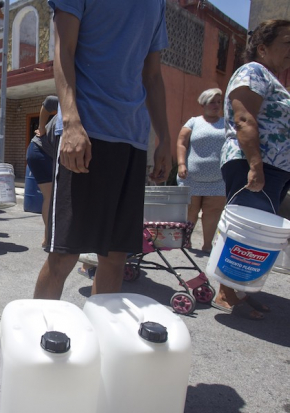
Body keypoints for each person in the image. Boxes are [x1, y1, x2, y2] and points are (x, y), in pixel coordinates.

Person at [33, 0, 172, 299]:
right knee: (64, 255)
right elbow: (63, 50)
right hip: (87, 132)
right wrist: (70, 122)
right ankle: (38, 336)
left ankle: (101, 337)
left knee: (116, 257)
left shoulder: (157, 4)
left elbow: (153, 75)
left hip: (133, 138)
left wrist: (165, 139)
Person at [213, 19, 290, 320]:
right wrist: (255, 164)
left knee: (256, 234)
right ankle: (226, 292)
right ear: (262, 47)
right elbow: (244, 118)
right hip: (254, 162)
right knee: (245, 230)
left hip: (273, 167)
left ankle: (239, 289)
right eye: (287, 42)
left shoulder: (272, 79)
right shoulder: (253, 72)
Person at [176, 88, 226, 252]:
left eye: (219, 102)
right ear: (203, 103)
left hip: (218, 179)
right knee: (190, 209)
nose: (216, 105)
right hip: (191, 177)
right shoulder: (193, 122)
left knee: (213, 212)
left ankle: (206, 245)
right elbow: (181, 142)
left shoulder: (226, 124)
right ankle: (186, 241)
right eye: (213, 102)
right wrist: (181, 164)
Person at [26, 95, 59, 247]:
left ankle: (50, 238)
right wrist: (41, 127)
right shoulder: (73, 100)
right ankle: (48, 238)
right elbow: (48, 101)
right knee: (50, 195)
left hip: (52, 154)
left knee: (56, 196)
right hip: (39, 151)